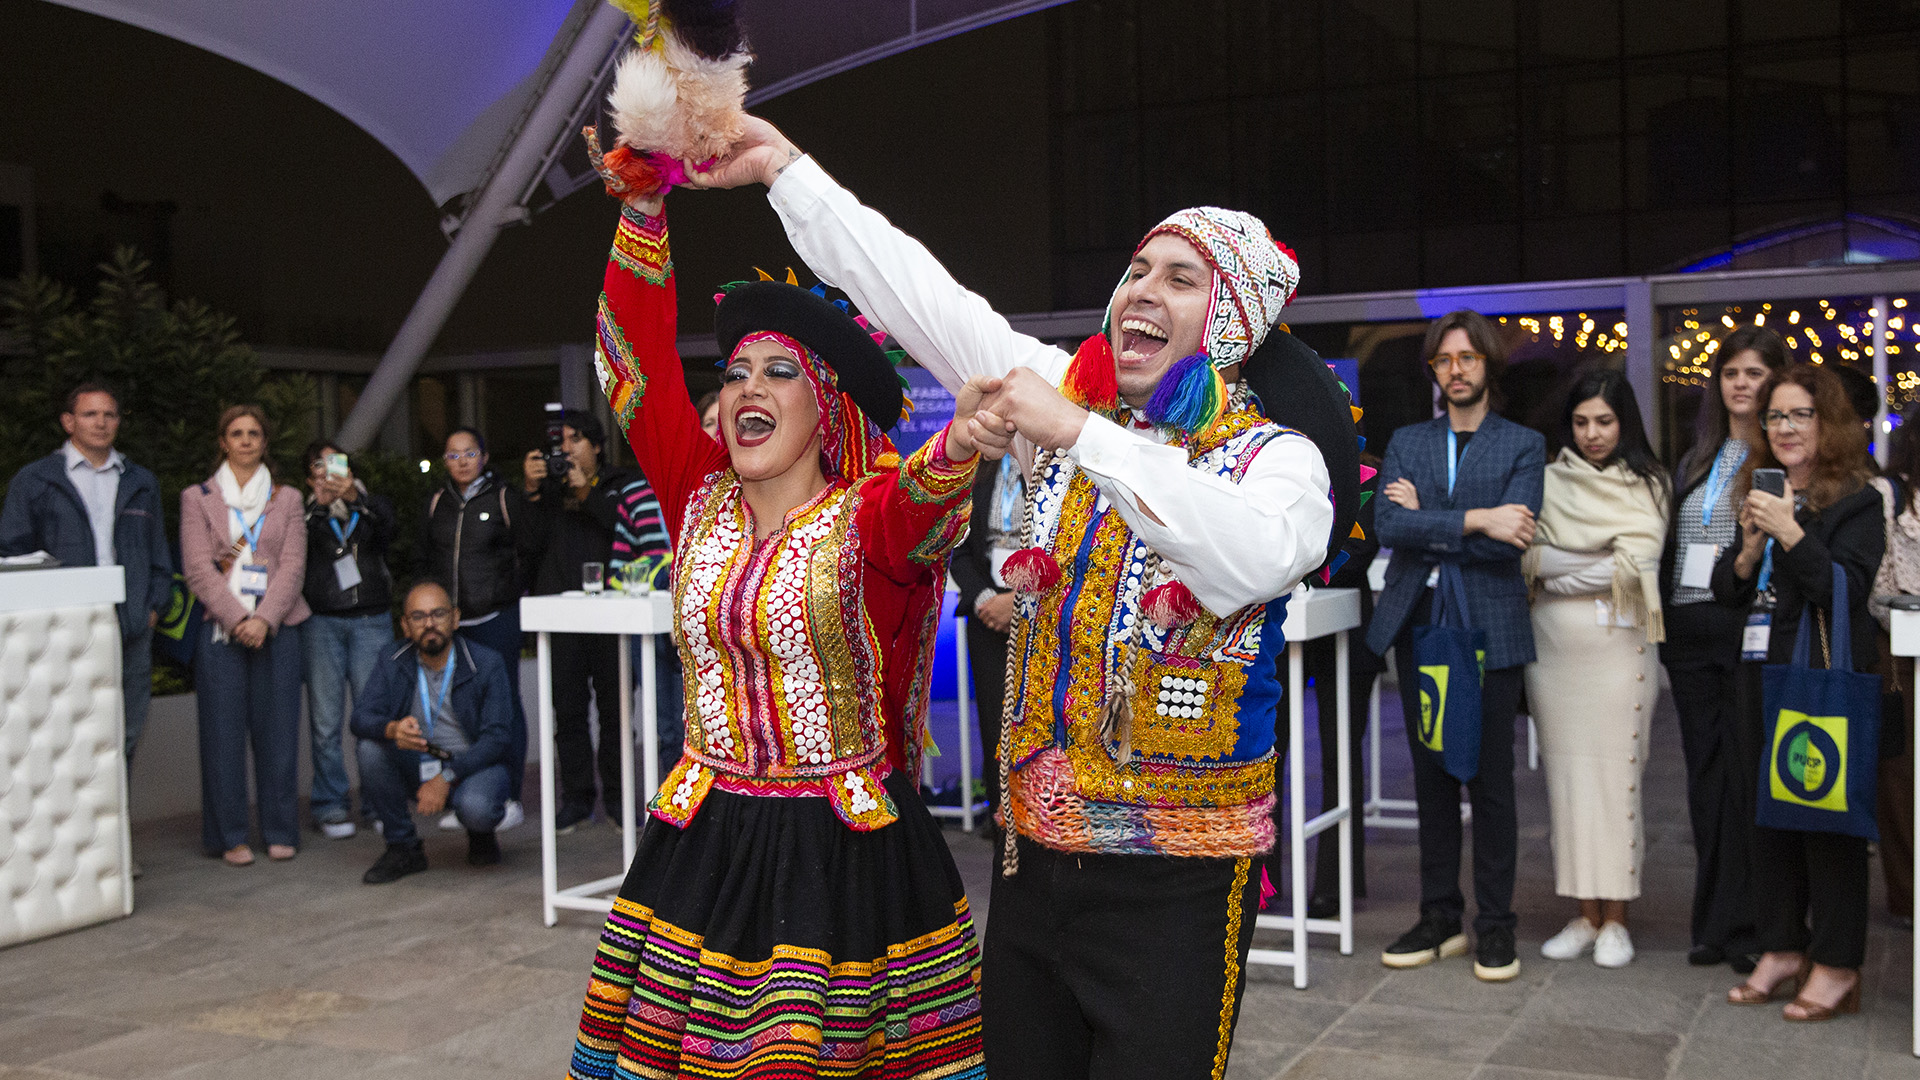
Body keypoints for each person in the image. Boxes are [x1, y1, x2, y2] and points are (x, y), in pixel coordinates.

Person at [688, 114, 1349, 1080]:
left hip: (1177, 888)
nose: (1142, 292)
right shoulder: (1065, 392)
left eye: (1181, 277)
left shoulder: (1277, 461)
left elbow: (1249, 556)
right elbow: (919, 295)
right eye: (1135, 271)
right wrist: (784, 173)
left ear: (1236, 318)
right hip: (1030, 866)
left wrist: (1081, 433)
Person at [566, 171, 996, 1079]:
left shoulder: (864, 519)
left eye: (778, 371)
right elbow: (630, 367)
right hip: (705, 837)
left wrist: (958, 444)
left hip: (839, 856)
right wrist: (643, 212)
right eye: (734, 373)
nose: (746, 388)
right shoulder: (696, 493)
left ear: (827, 403)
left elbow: (917, 503)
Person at [1368, 309, 1545, 983]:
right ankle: (1439, 916)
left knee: (1491, 782)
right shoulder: (1411, 440)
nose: (1457, 369)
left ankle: (1495, 927)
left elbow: (1516, 539)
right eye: (1445, 360)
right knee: (1432, 776)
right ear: (1434, 371)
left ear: (1488, 365)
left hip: (1490, 628)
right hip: (1420, 627)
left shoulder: (1522, 444)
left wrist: (1429, 521)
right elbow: (1388, 523)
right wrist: (1478, 518)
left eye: (1468, 358)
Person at [1714, 363, 1882, 1021]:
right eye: (1775, 416)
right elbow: (1731, 594)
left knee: (1827, 818)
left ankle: (1837, 963)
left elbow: (1849, 587)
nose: (1784, 427)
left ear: (1828, 422)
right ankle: (1782, 947)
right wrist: (1750, 550)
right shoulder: (1764, 489)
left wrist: (1790, 530)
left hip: (1819, 678)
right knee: (1767, 818)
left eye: (1799, 415)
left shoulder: (1859, 499)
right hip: (1760, 674)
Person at [1524, 370, 1668, 968]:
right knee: (1568, 786)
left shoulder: (1650, 484)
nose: (1592, 434)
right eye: (1581, 422)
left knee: (1616, 782)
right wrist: (1601, 562)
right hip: (1554, 655)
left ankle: (1618, 920)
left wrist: (1562, 568)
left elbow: (1641, 564)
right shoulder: (1548, 479)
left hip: (1620, 652)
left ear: (1624, 422)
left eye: (1604, 422)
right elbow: (1529, 556)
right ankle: (1584, 915)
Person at [1660, 324, 1788, 971]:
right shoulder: (1697, 457)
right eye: (1732, 373)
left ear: (1774, 383)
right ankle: (1712, 925)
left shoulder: (1782, 459)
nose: (1741, 384)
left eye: (1754, 374)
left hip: (1746, 634)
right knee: (1704, 783)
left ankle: (1753, 928)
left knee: (1746, 782)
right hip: (1688, 636)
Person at [0, 383, 173, 768]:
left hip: (129, 627)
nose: (101, 422)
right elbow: (13, 555)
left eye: (109, 414)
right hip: (62, 631)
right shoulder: (35, 481)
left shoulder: (140, 482)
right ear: (68, 422)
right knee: (65, 733)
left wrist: (153, 610)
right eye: (90, 414)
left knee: (126, 734)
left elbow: (158, 554)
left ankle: (116, 828)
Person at [179, 405, 310, 865]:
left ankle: (279, 829)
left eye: (255, 433)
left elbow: (294, 565)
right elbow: (197, 568)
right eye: (237, 433)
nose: (246, 440)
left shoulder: (288, 498)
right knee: (222, 737)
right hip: (221, 630)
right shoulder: (197, 498)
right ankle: (229, 835)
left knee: (279, 736)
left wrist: (264, 619)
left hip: (278, 628)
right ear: (223, 441)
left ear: (265, 442)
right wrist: (238, 619)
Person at [351, 580, 517, 882]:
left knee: (477, 807)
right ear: (404, 624)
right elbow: (360, 718)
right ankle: (403, 848)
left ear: (454, 618)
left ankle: (481, 834)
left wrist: (447, 777)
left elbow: (498, 738)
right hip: (418, 762)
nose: (429, 624)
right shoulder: (392, 660)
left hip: (472, 766)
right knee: (370, 750)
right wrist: (391, 728)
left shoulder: (485, 662)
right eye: (418, 616)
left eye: (438, 614)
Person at [520, 409, 631, 832]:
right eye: (560, 441)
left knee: (615, 713)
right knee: (567, 713)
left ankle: (619, 801)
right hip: (560, 615)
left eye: (575, 439)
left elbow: (623, 527)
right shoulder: (546, 490)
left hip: (612, 615)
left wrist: (586, 491)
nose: (565, 449)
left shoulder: (619, 484)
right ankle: (577, 799)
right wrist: (532, 491)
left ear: (597, 446)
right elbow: (527, 544)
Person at [422, 426, 529, 829]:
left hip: (495, 619)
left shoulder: (502, 498)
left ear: (483, 457)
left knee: (505, 708)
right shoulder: (437, 503)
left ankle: (511, 797)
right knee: (456, 712)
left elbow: (527, 551)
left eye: (469, 453)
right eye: (453, 455)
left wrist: (509, 594)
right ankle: (461, 794)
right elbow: (426, 558)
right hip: (452, 625)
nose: (462, 461)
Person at [298, 440, 396, 841]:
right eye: (319, 467)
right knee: (324, 721)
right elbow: (289, 550)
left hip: (371, 619)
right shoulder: (301, 512)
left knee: (373, 715)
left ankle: (380, 801)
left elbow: (389, 532)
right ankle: (330, 803)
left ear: (350, 471)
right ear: (309, 476)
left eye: (335, 466)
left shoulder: (371, 505)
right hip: (322, 623)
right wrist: (317, 508)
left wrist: (355, 499)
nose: (329, 474)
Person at [950, 452, 1026, 830]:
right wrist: (986, 601)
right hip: (986, 615)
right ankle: (1001, 825)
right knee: (995, 724)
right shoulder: (977, 469)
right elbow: (958, 551)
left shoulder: (1058, 463)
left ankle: (1041, 820)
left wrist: (1021, 602)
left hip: (1040, 610)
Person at [607, 466, 684, 766]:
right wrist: (664, 568)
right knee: (666, 728)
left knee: (697, 728)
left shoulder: (706, 486)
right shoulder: (635, 494)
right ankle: (671, 807)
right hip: (651, 631)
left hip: (696, 624)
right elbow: (617, 574)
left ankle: (701, 810)